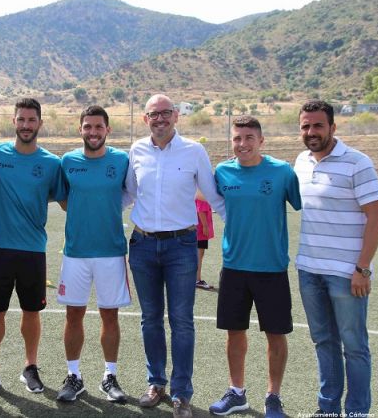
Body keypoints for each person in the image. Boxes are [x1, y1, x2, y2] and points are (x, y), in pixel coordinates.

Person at [125, 94, 226, 418]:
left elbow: (213, 197)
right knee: (150, 319)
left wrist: (238, 225)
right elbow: (127, 193)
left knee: (181, 321)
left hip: (181, 246)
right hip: (142, 246)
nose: (160, 119)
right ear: (145, 119)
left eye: (165, 113)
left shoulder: (194, 151)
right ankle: (156, 383)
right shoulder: (136, 151)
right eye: (153, 114)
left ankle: (182, 393)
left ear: (176, 116)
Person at [294, 100, 378, 416]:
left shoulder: (358, 162)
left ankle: (357, 410)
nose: (311, 131)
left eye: (318, 125)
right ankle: (328, 407)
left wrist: (362, 269)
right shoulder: (301, 162)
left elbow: (376, 218)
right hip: (309, 269)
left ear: (333, 127)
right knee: (324, 342)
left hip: (347, 274)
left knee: (354, 346)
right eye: (305, 126)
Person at [208, 116, 301, 418]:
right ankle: (237, 393)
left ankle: (273, 397)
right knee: (234, 333)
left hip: (272, 268)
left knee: (276, 334)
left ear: (261, 140)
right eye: (237, 138)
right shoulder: (222, 172)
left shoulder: (282, 172)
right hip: (234, 267)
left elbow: (306, 205)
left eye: (249, 137)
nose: (242, 144)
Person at [0, 98, 65, 399]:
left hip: (33, 250)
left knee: (32, 311)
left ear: (40, 123)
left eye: (32, 120)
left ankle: (30, 367)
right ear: (14, 122)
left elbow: (64, 200)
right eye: (21, 119)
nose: (26, 125)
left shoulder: (52, 163)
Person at [54, 105, 131, 403]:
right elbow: (63, 199)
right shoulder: (68, 161)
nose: (93, 132)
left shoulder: (121, 160)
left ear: (107, 130)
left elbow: (129, 193)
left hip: (111, 252)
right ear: (81, 129)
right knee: (74, 314)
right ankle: (74, 376)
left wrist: (106, 210)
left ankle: (109, 376)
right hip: (75, 252)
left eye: (98, 127)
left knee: (109, 315)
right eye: (88, 126)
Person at [195, 191, 214, 290]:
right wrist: (205, 226)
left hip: (198, 227)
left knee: (199, 253)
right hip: (200, 228)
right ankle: (197, 279)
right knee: (199, 253)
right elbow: (200, 209)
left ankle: (196, 279)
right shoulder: (202, 192)